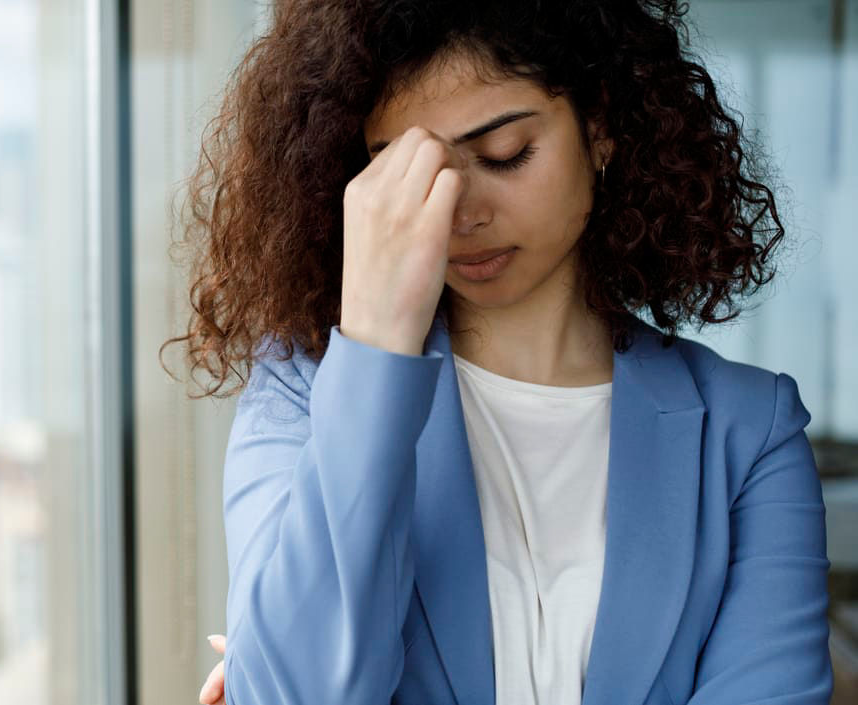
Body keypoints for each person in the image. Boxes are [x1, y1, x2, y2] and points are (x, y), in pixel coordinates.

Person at [161, 0, 833, 703]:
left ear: (599, 126)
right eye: (407, 174)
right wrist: (375, 340)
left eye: (504, 154)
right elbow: (295, 692)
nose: (460, 212)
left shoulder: (749, 432)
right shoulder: (303, 393)